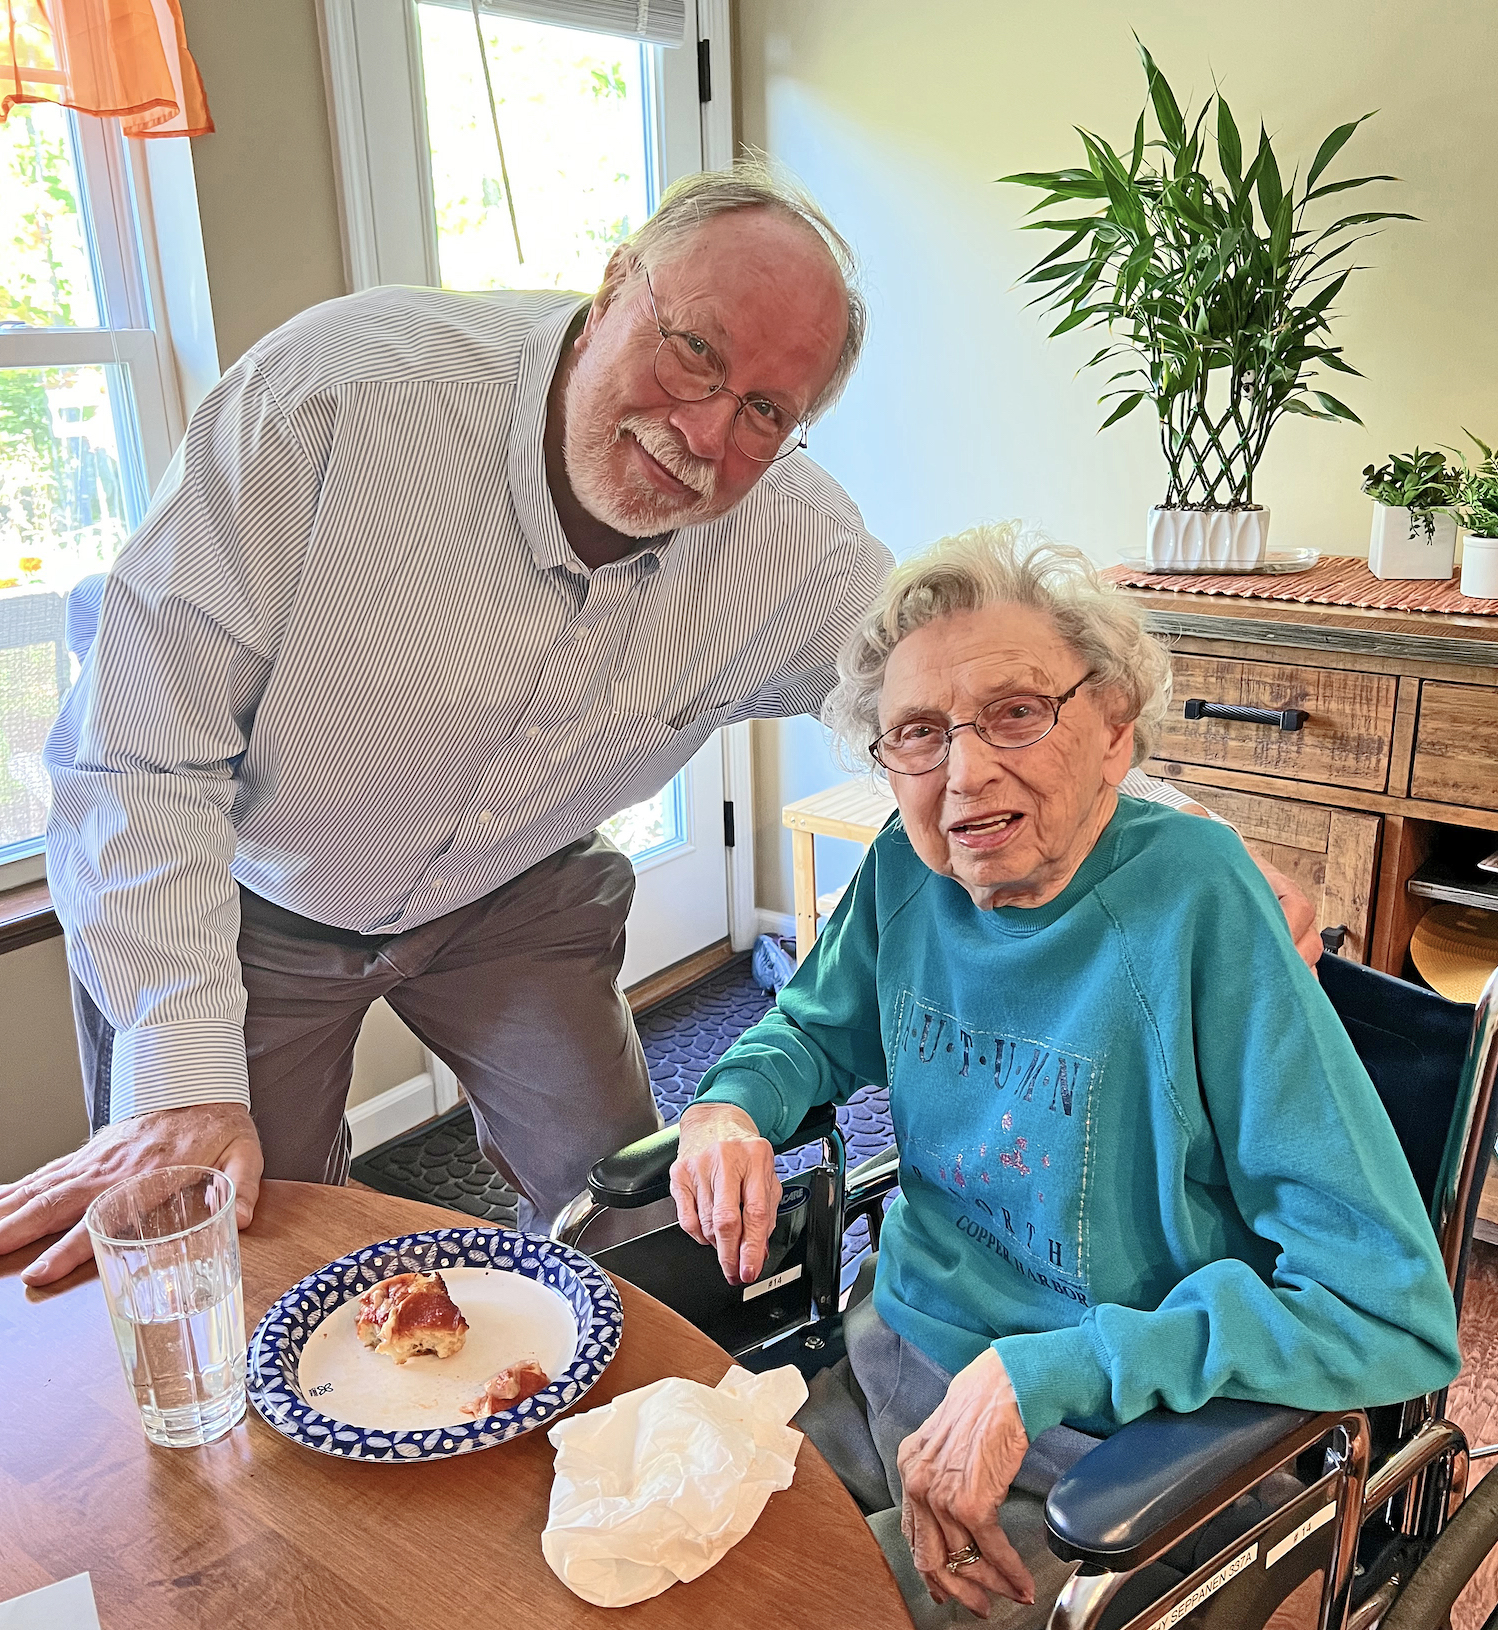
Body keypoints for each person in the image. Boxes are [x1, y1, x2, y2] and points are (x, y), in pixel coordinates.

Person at [2, 165, 1314, 1289]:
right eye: (694, 347)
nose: (701, 430)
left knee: (637, 1202)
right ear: (614, 280)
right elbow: (136, 748)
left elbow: (960, 707)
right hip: (251, 887)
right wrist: (179, 1077)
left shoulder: (792, 548)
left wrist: (1174, 844)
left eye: (764, 412)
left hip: (513, 891)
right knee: (237, 1241)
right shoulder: (338, 396)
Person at [670, 524, 1460, 1627]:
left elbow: (1389, 1312)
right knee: (659, 1557)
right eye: (918, 734)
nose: (966, 771)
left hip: (1107, 1448)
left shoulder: (1197, 908)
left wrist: (1048, 1368)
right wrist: (725, 1103)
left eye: (1016, 713)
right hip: (882, 1357)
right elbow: (806, 1027)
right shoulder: (907, 868)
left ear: (1112, 732)